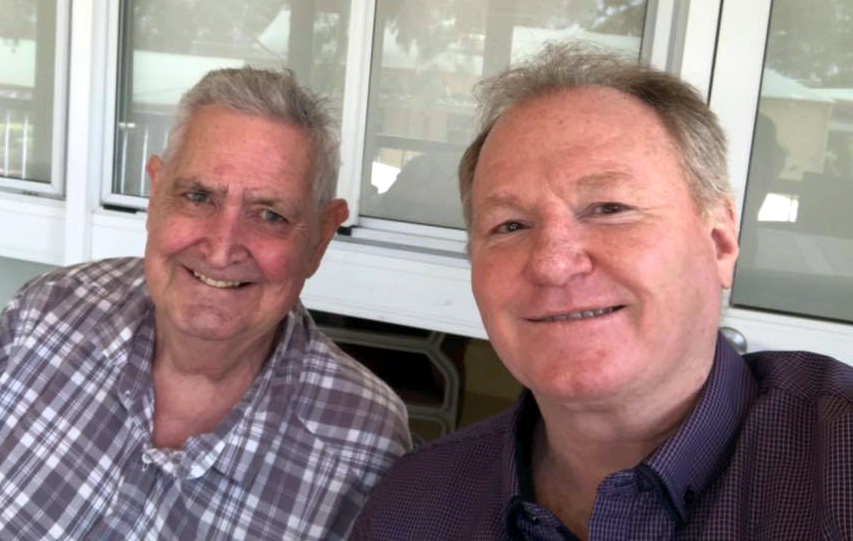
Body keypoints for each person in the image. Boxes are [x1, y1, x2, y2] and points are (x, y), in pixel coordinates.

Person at [350, 43, 853, 540]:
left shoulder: (837, 466)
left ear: (719, 242)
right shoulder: (411, 507)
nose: (552, 264)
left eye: (610, 208)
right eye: (510, 226)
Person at [0, 67, 411, 540]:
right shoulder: (47, 312)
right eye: (198, 197)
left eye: (270, 215)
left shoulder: (363, 444)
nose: (221, 249)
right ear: (156, 195)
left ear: (320, 238)